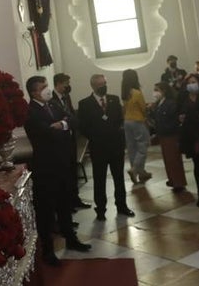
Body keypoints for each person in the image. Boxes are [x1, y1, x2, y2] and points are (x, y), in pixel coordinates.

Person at [24, 75, 91, 265]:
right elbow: (45, 133)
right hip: (46, 167)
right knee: (46, 211)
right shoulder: (30, 112)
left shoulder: (53, 104)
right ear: (34, 92)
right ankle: (48, 251)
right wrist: (61, 128)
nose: (47, 89)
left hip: (63, 163)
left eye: (47, 85)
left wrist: (62, 124)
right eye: (43, 87)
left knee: (64, 204)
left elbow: (73, 119)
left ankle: (71, 239)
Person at [78, 74, 134, 220]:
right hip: (99, 147)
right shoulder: (85, 104)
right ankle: (101, 209)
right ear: (93, 86)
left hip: (115, 146)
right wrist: (96, 136)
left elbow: (120, 119)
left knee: (119, 178)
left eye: (105, 83)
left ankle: (122, 206)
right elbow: (82, 126)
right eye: (100, 84)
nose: (104, 86)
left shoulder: (114, 99)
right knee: (99, 179)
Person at [51, 73, 89, 210]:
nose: (68, 86)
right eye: (66, 83)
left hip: (71, 138)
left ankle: (75, 198)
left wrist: (73, 123)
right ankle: (68, 202)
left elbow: (72, 115)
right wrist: (69, 121)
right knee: (65, 173)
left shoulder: (66, 97)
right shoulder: (51, 99)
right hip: (61, 141)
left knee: (73, 171)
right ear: (58, 84)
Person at [177, 73, 199, 207]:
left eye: (194, 81)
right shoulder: (183, 98)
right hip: (191, 135)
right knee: (198, 165)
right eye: (189, 82)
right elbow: (178, 113)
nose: (192, 84)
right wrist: (180, 118)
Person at [149, 82, 186, 191]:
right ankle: (172, 180)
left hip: (170, 134)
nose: (155, 92)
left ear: (164, 91)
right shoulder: (159, 103)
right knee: (168, 160)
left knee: (174, 159)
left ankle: (178, 182)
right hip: (163, 134)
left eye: (157, 90)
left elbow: (172, 119)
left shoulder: (170, 103)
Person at [121, 69, 151, 184]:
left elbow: (124, 108)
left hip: (127, 121)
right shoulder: (137, 93)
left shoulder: (125, 93)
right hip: (138, 121)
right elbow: (143, 108)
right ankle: (134, 170)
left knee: (132, 148)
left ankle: (141, 172)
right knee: (143, 146)